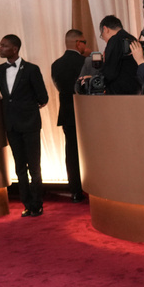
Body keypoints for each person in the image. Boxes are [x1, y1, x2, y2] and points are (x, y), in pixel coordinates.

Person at [0, 34, 49, 217]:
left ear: (14, 49)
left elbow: (43, 97)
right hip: (11, 124)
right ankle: (27, 203)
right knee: (19, 166)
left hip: (30, 123)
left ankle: (37, 204)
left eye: (4, 46)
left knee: (34, 166)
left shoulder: (31, 69)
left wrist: (29, 107)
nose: (0, 48)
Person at [51, 29, 87, 202]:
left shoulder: (56, 64)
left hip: (67, 113)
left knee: (71, 152)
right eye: (85, 43)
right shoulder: (85, 62)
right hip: (86, 113)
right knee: (90, 152)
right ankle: (94, 188)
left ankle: (75, 191)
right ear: (78, 43)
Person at [90, 15, 139, 94]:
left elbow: (110, 70)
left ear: (105, 29)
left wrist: (96, 78)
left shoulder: (115, 40)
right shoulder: (132, 38)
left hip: (119, 91)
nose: (105, 40)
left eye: (102, 36)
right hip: (135, 88)